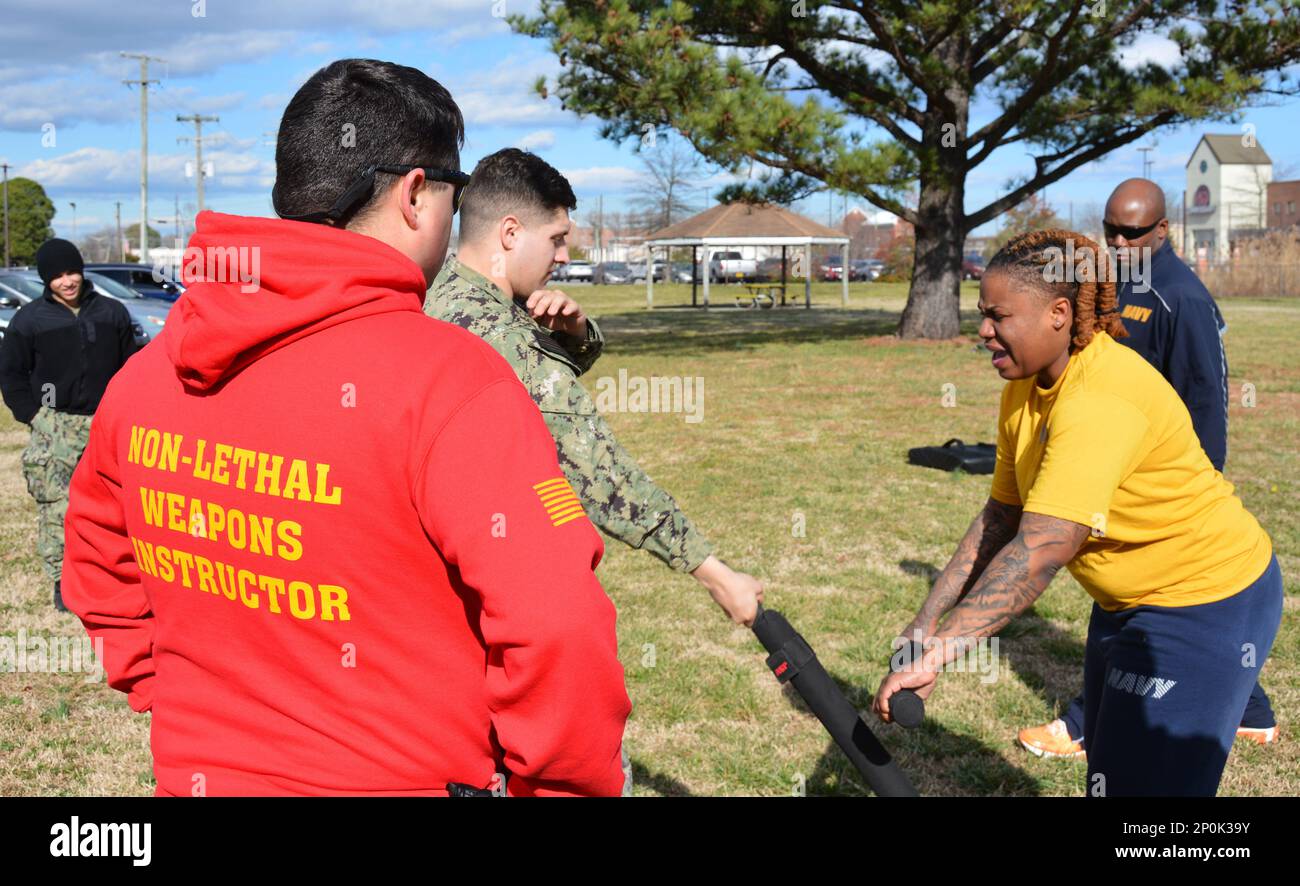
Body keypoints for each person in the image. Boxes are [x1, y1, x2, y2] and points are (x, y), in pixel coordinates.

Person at [60, 59, 630, 796]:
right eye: (457, 203)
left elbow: (97, 574)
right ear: (418, 194)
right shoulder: (453, 382)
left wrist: (174, 697)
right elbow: (560, 629)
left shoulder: (145, 377)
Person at [875, 229, 1282, 796]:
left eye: (999, 316)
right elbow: (1000, 520)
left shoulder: (1098, 398)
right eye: (981, 314)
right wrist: (925, 623)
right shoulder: (1027, 382)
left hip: (1206, 602)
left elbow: (1040, 551)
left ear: (1059, 314)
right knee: (1112, 777)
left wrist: (939, 654)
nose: (984, 331)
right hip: (1127, 602)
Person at [425, 148, 764, 626]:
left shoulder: (439, 293)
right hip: (489, 595)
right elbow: (596, 466)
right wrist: (714, 573)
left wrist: (577, 335)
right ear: (510, 233)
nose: (564, 257)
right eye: (557, 239)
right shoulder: (499, 335)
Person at [1017, 179, 1277, 759]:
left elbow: (1206, 395)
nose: (1117, 239)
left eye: (1131, 231)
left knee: (1129, 598)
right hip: (1114, 463)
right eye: (1109, 228)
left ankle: (1088, 719)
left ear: (1163, 230)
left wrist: (1187, 492)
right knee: (1143, 601)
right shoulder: (1117, 285)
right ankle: (1252, 711)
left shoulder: (1180, 297)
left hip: (1158, 478)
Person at [0, 238, 137, 611]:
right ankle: (62, 581)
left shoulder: (112, 312)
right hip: (54, 424)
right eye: (58, 276)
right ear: (47, 280)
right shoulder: (29, 320)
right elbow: (11, 375)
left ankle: (117, 575)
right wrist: (35, 415)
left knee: (117, 504)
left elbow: (131, 367)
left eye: (72, 272)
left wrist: (123, 408)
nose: (67, 281)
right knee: (57, 505)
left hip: (106, 422)